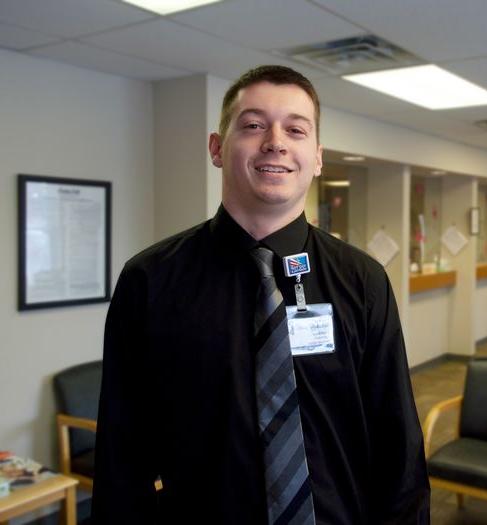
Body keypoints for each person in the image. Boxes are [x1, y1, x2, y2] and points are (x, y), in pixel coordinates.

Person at [92, 65, 430, 524]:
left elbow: (398, 445)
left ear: (317, 157)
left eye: (295, 129)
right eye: (253, 125)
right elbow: (122, 451)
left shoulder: (363, 280)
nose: (275, 141)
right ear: (216, 147)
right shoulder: (150, 280)